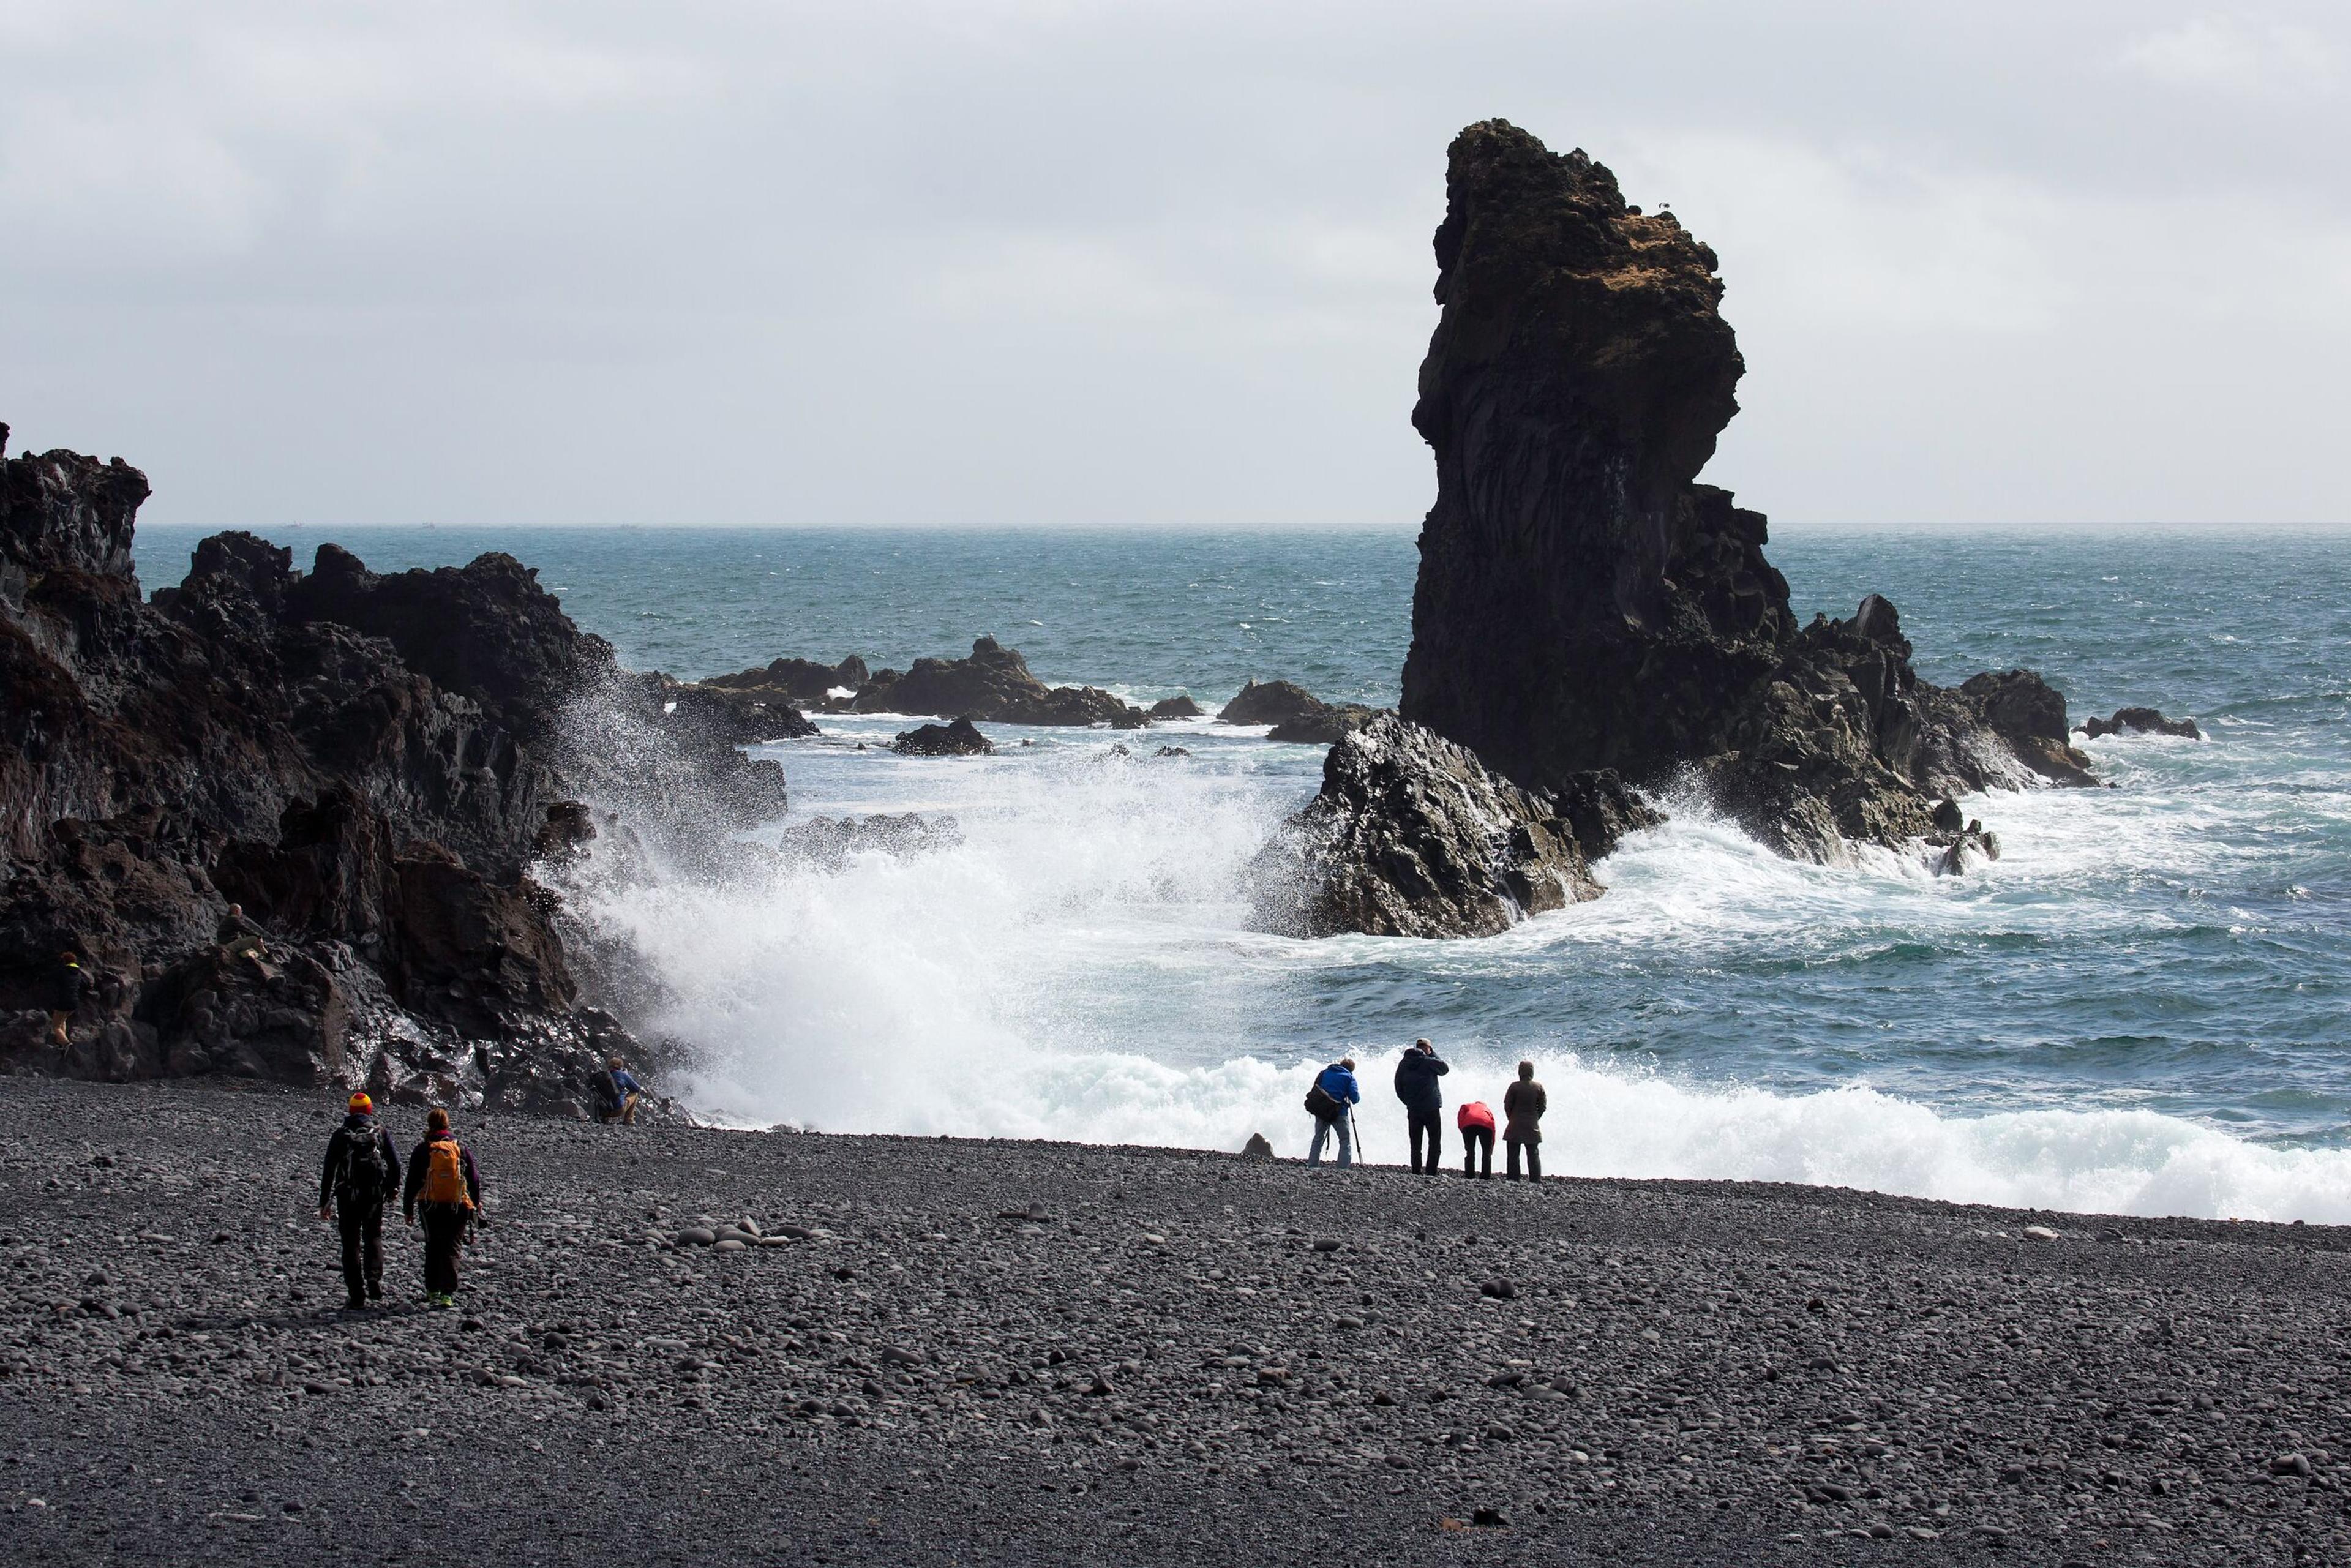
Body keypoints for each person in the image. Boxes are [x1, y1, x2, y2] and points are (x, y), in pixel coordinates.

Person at [317, 1092, 400, 1308]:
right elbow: (395, 1163)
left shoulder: (341, 1135)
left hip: (347, 1196)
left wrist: (324, 1201)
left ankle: (356, 1294)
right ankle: (373, 1277)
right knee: (373, 1235)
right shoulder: (380, 1132)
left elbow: (329, 1169)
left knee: (350, 1243)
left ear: (350, 1111)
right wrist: (392, 1188)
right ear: (370, 1110)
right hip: (374, 1195)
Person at [401, 1108, 482, 1310]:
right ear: (447, 1123)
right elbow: (473, 1178)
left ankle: (432, 1290)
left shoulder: (423, 1149)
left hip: (429, 1204)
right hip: (458, 1203)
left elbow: (411, 1181)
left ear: (429, 1124)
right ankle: (448, 1294)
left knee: (433, 1245)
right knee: (453, 1247)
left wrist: (408, 1208)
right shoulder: (460, 1147)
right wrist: (476, 1201)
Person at [1393, 1038, 1449, 1174]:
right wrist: (1433, 1053)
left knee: (1415, 1142)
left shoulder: (1404, 1064)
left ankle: (1416, 1170)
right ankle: (1431, 1172)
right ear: (1428, 1048)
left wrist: (1408, 1102)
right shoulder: (1429, 1061)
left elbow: (1398, 1085)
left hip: (1413, 1109)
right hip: (1431, 1108)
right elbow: (1445, 1069)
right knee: (1434, 1142)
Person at [1305, 1056, 1359, 1168]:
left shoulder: (1324, 1073)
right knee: (1344, 1140)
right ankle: (1342, 1168)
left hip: (1322, 1110)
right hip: (1339, 1112)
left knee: (1318, 1138)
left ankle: (1312, 1165)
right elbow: (1355, 1099)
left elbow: (1315, 1089)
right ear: (1351, 1069)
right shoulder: (1349, 1077)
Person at [1503, 1059, 1547, 1181]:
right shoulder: (1538, 1087)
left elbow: (1507, 1105)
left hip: (1515, 1124)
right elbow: (1543, 1108)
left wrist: (1511, 1118)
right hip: (1532, 1125)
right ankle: (1535, 1179)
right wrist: (1535, 1118)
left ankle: (1513, 1179)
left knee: (1513, 1154)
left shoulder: (1514, 1086)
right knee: (1533, 1153)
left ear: (1520, 1072)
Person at [47, 950, 86, 1049]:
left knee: (55, 1026)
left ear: (65, 961)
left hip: (63, 1002)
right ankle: (61, 1044)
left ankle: (66, 1043)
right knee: (62, 1021)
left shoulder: (62, 971)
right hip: (74, 1003)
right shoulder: (78, 973)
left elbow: (53, 981)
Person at [593, 1056, 647, 1125]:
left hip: (603, 1111)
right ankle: (629, 1121)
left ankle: (604, 1119)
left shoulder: (603, 1076)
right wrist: (627, 1076)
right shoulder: (622, 1074)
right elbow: (636, 1089)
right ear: (620, 1066)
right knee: (634, 1095)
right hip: (618, 1110)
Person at [1457, 1099, 1496, 1179]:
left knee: (1470, 1151)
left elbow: (1460, 1117)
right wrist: (1492, 1146)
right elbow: (1493, 1128)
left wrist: (1463, 1130)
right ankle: (1485, 1176)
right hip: (1486, 1125)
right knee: (1486, 1152)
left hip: (1469, 1125)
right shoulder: (1487, 1110)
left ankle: (1470, 1175)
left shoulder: (1467, 1105)